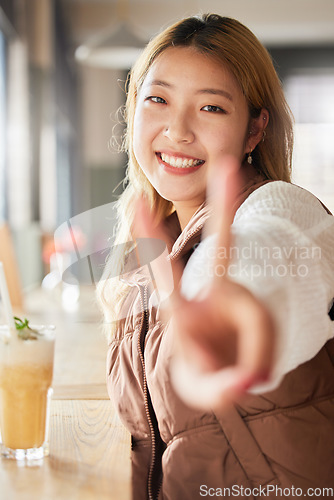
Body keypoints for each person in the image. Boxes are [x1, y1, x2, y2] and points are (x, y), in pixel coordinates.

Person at [97, 14, 334, 500]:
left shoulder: (282, 208)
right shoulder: (151, 241)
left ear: (253, 132)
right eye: (158, 99)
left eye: (211, 108)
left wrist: (241, 307)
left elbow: (269, 254)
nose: (178, 131)